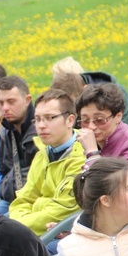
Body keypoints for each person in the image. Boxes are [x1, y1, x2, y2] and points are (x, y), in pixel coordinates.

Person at [50, 57, 128, 155]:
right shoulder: (69, 96)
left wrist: (91, 152)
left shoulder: (114, 95)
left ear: (82, 87)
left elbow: (121, 135)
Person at [9, 89, 85, 235]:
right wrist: (19, 221)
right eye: (37, 119)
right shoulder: (42, 153)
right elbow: (23, 199)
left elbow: (62, 210)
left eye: (49, 118)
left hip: (58, 232)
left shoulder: (81, 155)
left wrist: (18, 226)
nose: (41, 125)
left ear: (70, 120)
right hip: (29, 223)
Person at [77, 84, 128, 184]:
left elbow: (110, 187)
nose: (91, 127)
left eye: (99, 120)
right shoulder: (87, 141)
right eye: (85, 120)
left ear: (118, 116)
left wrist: (92, 154)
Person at [0, 76, 38, 214]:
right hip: (12, 198)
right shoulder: (5, 131)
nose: (5, 108)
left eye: (11, 101)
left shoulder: (41, 131)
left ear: (27, 100)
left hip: (34, 201)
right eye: (0, 102)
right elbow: (3, 171)